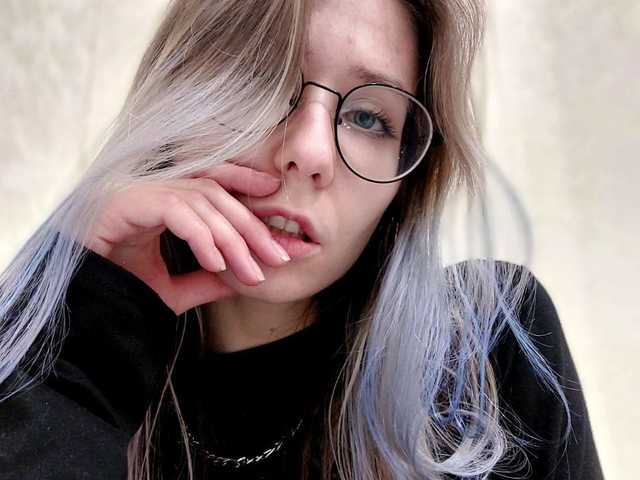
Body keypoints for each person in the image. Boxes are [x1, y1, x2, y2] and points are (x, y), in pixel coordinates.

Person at [0, 0, 603, 479]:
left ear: (408, 178)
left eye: (368, 118)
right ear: (178, 103)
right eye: (264, 83)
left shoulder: (488, 349)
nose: (310, 153)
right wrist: (89, 337)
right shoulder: (51, 354)